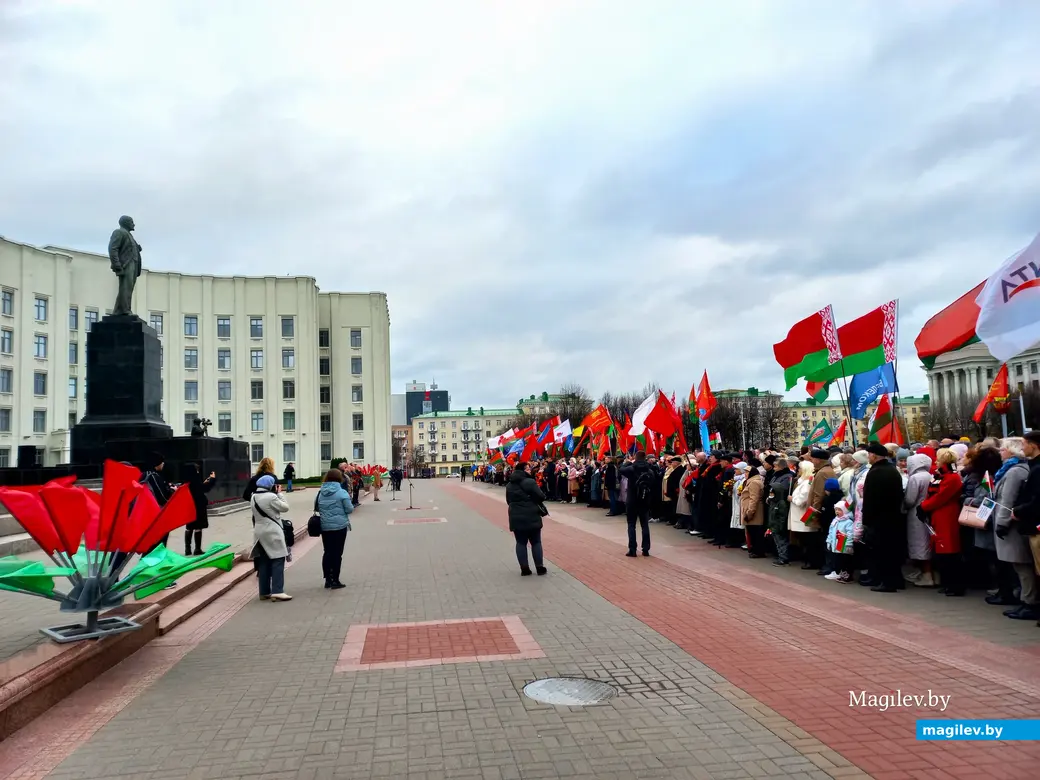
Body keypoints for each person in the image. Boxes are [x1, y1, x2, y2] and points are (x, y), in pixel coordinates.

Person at [991, 438, 1035, 620]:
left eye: (1003, 449)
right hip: (1010, 523)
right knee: (1018, 565)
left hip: (1011, 525)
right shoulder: (1010, 470)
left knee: (1022, 565)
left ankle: (1029, 601)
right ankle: (1025, 598)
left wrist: (1001, 523)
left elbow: (1007, 500)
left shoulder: (1015, 471)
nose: (1000, 452)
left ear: (1012, 451)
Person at [861, 442, 905, 592]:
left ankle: (887, 583)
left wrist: (866, 519)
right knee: (892, 550)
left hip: (879, 519)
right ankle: (896, 580)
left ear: (874, 455)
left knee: (883, 552)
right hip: (893, 516)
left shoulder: (877, 472)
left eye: (869, 454)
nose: (868, 457)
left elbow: (870, 498)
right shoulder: (892, 470)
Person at [920, 448, 964, 596]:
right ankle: (948, 583)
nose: (935, 461)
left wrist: (923, 506)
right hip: (938, 515)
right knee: (942, 551)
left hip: (947, 516)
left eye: (938, 459)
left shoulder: (951, 478)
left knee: (949, 551)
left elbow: (940, 497)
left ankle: (955, 585)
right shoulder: (940, 475)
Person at [250, 475, 292, 601]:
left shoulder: (253, 496)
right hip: (272, 531)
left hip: (259, 531)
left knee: (264, 561)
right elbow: (285, 507)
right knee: (278, 559)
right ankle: (278, 591)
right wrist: (280, 494)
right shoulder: (271, 496)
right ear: (271, 485)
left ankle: (264, 591)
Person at [505, 462, 547, 576]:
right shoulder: (530, 482)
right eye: (528, 469)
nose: (530, 470)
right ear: (523, 470)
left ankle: (524, 568)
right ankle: (539, 567)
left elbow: (508, 501)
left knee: (520, 542)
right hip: (532, 514)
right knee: (536, 541)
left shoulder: (509, 485)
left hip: (515, 516)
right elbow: (541, 496)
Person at [317, 468, 353, 590]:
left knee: (327, 552)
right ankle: (335, 580)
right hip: (339, 526)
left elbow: (317, 507)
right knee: (337, 553)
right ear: (339, 478)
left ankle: (327, 579)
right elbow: (349, 509)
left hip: (325, 526)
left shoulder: (320, 492)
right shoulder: (342, 492)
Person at [903, 452, 935, 587]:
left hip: (916, 514)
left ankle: (926, 575)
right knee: (929, 543)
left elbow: (910, 499)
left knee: (919, 544)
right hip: (929, 512)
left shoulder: (915, 478)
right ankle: (933, 574)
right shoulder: (930, 476)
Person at [620, 452, 654, 557]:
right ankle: (646, 549)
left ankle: (632, 549)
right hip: (644, 500)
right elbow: (653, 483)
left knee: (631, 525)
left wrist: (628, 462)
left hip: (632, 500)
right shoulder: (649, 471)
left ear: (635, 457)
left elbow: (621, 469)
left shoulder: (631, 469)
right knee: (644, 524)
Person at [788, 461, 816, 565]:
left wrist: (792, 499)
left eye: (799, 469)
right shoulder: (802, 481)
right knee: (802, 537)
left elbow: (803, 498)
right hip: (798, 513)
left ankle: (809, 559)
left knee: (806, 538)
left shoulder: (808, 481)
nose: (798, 470)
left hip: (802, 513)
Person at [767, 457, 794, 565]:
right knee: (775, 533)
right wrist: (770, 496)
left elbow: (780, 489)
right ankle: (780, 554)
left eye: (776, 466)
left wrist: (773, 496)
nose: (774, 468)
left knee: (780, 533)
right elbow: (772, 488)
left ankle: (784, 556)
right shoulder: (776, 475)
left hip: (780, 505)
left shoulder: (787, 477)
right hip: (773, 504)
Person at [185, 463, 216, 556]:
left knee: (189, 527)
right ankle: (197, 549)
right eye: (197, 470)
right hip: (198, 505)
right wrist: (212, 480)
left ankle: (187, 549)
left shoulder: (188, 480)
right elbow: (204, 489)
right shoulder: (195, 479)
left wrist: (204, 483)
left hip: (189, 505)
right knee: (198, 526)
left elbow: (198, 488)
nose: (198, 471)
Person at [740, 463, 766, 558]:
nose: (745, 474)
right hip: (751, 509)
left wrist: (750, 512)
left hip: (754, 511)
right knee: (752, 532)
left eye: (747, 472)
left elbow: (754, 498)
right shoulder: (752, 481)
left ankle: (758, 551)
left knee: (756, 533)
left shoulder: (754, 482)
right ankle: (755, 550)